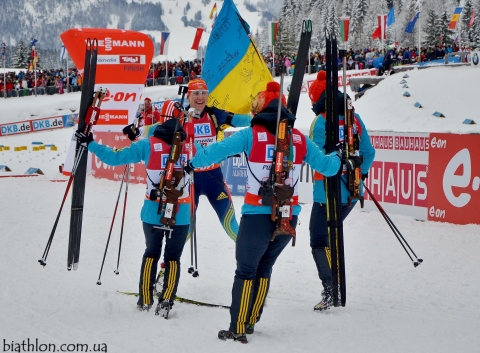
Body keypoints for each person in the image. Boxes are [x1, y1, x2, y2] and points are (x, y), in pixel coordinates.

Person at [186, 81, 342, 343]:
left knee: (246, 271)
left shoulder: (250, 135)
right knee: (265, 266)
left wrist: (191, 162)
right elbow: (329, 167)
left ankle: (238, 327)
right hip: (287, 216)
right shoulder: (298, 139)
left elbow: (214, 152)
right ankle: (251, 320)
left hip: (257, 215)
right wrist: (338, 156)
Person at [76, 118, 194, 313]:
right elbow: (213, 157)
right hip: (180, 213)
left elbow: (115, 157)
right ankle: (166, 302)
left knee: (151, 254)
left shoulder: (149, 144)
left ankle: (145, 300)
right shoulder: (191, 147)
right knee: (173, 258)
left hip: (152, 211)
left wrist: (90, 143)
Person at [128, 78, 252, 241]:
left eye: (203, 93)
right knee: (186, 229)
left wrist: (265, 119)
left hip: (213, 177)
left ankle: (253, 259)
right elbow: (157, 128)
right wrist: (137, 131)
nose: (200, 97)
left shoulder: (215, 114)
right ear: (188, 96)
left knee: (230, 224)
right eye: (196, 93)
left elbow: (241, 120)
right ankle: (167, 264)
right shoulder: (180, 115)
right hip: (188, 178)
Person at [307, 70, 375, 311]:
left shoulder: (321, 121)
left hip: (327, 192)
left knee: (318, 240)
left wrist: (336, 165)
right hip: (352, 192)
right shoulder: (354, 118)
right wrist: (358, 173)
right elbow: (369, 153)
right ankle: (334, 286)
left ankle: (331, 288)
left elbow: (314, 156)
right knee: (331, 237)